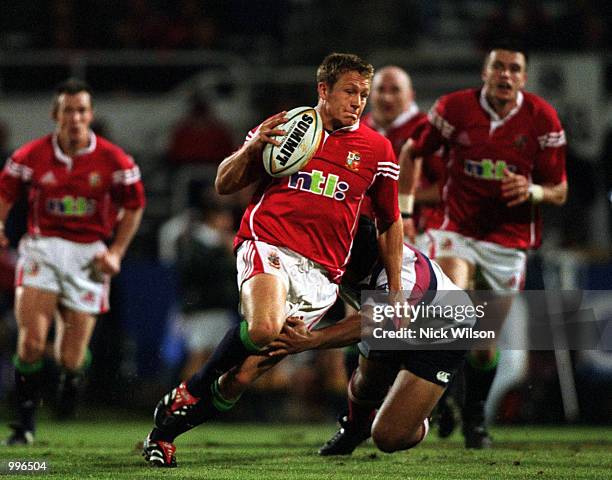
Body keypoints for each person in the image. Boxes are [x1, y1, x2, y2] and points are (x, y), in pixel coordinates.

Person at [143, 52, 404, 468]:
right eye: (350, 92)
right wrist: (251, 148)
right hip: (268, 243)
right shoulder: (285, 127)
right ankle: (191, 388)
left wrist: (394, 287)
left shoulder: (377, 149)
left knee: (240, 379)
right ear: (324, 90)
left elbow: (391, 222)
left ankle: (163, 435)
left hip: (322, 273)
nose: (358, 102)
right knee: (263, 328)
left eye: (363, 94)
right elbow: (224, 183)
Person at [399, 41, 567, 448]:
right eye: (498, 67)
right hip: (456, 229)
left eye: (514, 68)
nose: (505, 75)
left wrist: (533, 191)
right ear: (485, 73)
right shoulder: (454, 109)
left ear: (523, 78)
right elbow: (412, 150)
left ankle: (473, 416)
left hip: (508, 242)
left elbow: (559, 190)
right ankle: (437, 401)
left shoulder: (542, 120)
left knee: (482, 345)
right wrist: (404, 214)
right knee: (450, 309)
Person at [0, 78, 145, 445]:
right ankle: (25, 423)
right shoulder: (29, 155)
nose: (76, 117)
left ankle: (71, 380)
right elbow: (5, 192)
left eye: (82, 110)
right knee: (31, 342)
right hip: (42, 248)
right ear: (56, 115)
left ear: (90, 115)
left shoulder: (116, 160)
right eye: (69, 110)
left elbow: (134, 206)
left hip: (89, 255)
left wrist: (116, 252)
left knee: (71, 357)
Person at [266, 215, 476, 455]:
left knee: (388, 437)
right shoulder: (357, 260)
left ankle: (425, 410)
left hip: (444, 329)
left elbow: (376, 321)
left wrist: (313, 339)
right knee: (366, 383)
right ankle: (355, 428)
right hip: (395, 322)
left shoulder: (402, 276)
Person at [363, 65, 445, 255]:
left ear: (411, 95)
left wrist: (402, 199)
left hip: (418, 234)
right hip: (365, 233)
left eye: (395, 90)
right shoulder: (359, 128)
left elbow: (449, 188)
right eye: (381, 90)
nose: (387, 97)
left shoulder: (427, 130)